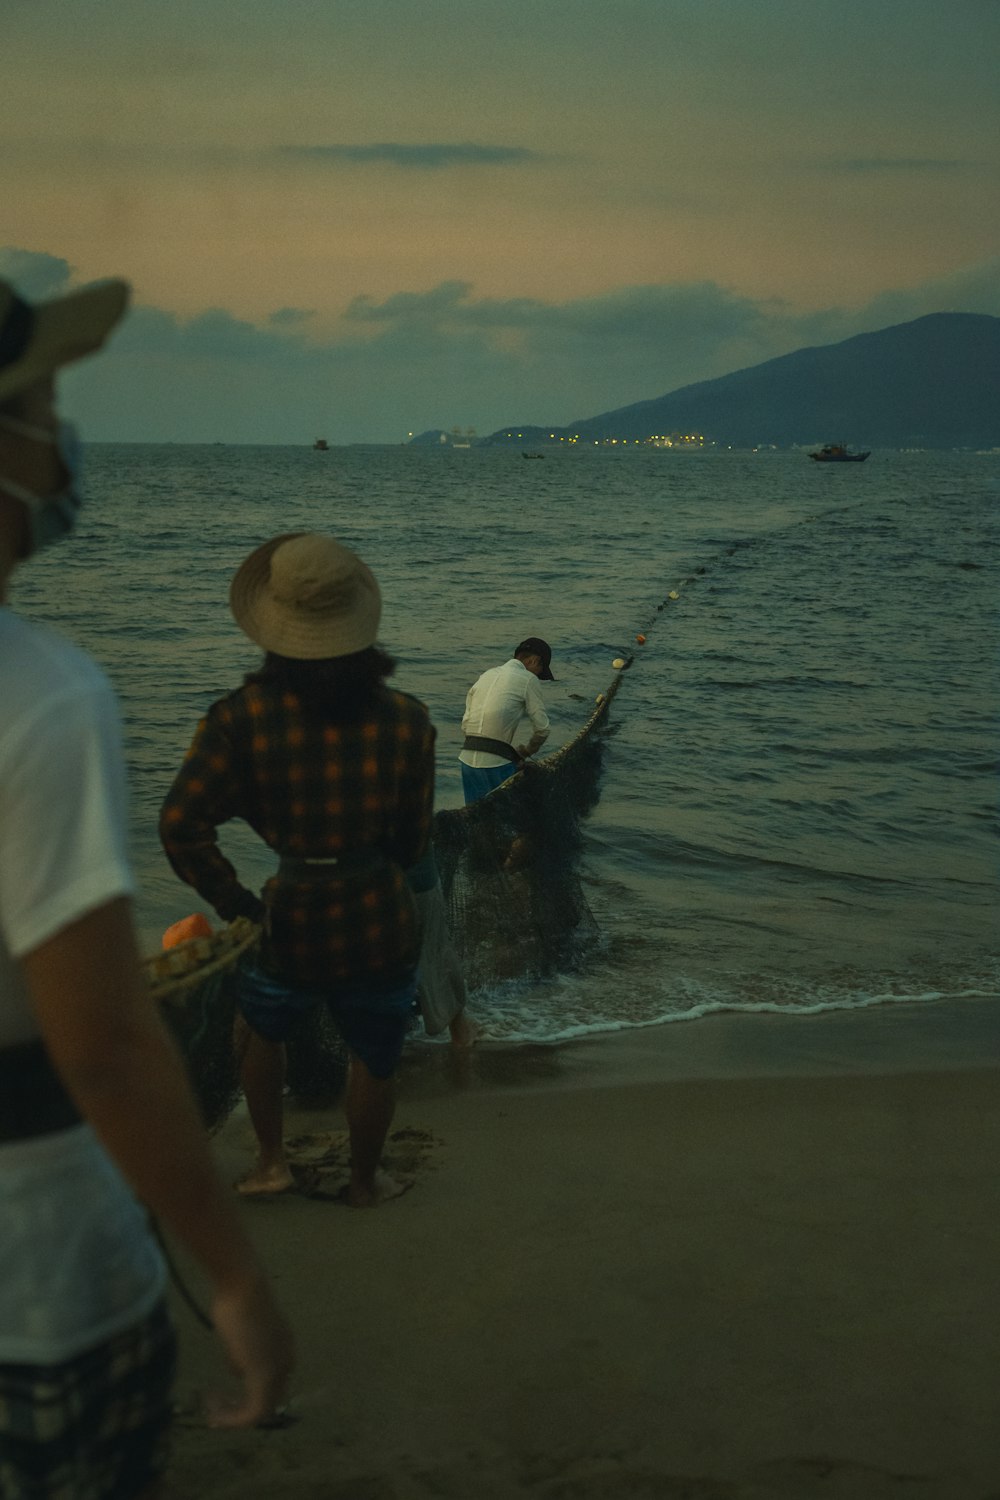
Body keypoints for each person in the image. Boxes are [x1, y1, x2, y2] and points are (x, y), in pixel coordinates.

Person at [0, 277, 292, 1500]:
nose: (63, 441)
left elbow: (186, 825)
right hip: (38, 1285)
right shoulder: (42, 697)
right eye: (45, 404)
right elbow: (107, 1045)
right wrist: (229, 1271)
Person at [159, 532, 436, 1207]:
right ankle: (369, 1180)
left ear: (273, 627)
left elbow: (180, 825)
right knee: (375, 1054)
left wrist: (236, 902)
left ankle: (272, 1162)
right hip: (378, 912)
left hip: (290, 919)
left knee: (256, 1028)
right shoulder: (408, 721)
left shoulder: (238, 721)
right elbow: (412, 839)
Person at [458, 636, 554, 805]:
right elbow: (543, 729)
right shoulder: (528, 679)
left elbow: (466, 724)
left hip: (466, 761)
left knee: (475, 817)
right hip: (496, 764)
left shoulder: (486, 675)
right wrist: (524, 752)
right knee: (509, 820)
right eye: (540, 670)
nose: (538, 676)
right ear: (533, 660)